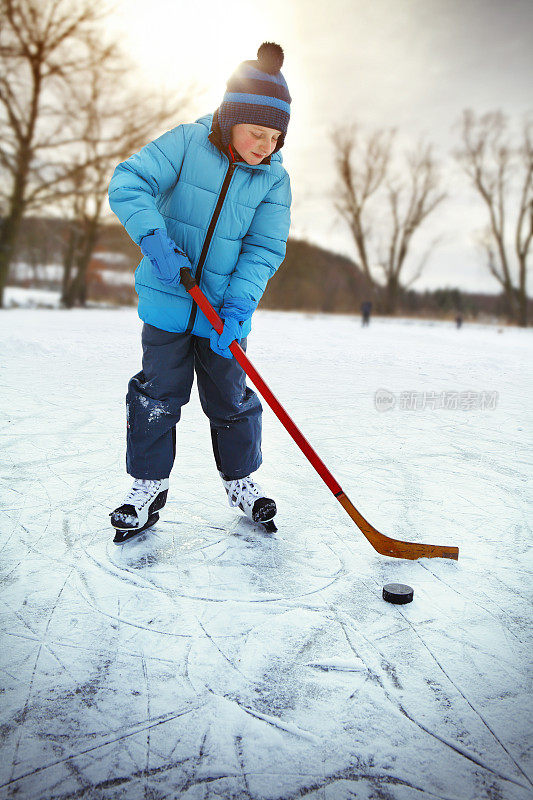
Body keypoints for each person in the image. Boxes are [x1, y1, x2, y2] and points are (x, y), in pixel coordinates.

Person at [107, 43, 292, 543]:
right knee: (156, 398)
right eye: (256, 132)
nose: (265, 146)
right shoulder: (187, 143)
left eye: (275, 137)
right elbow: (129, 182)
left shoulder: (273, 181)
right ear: (230, 118)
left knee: (231, 401)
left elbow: (264, 249)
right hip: (168, 303)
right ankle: (145, 488)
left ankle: (242, 484)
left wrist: (238, 306)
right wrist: (153, 238)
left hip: (222, 316)